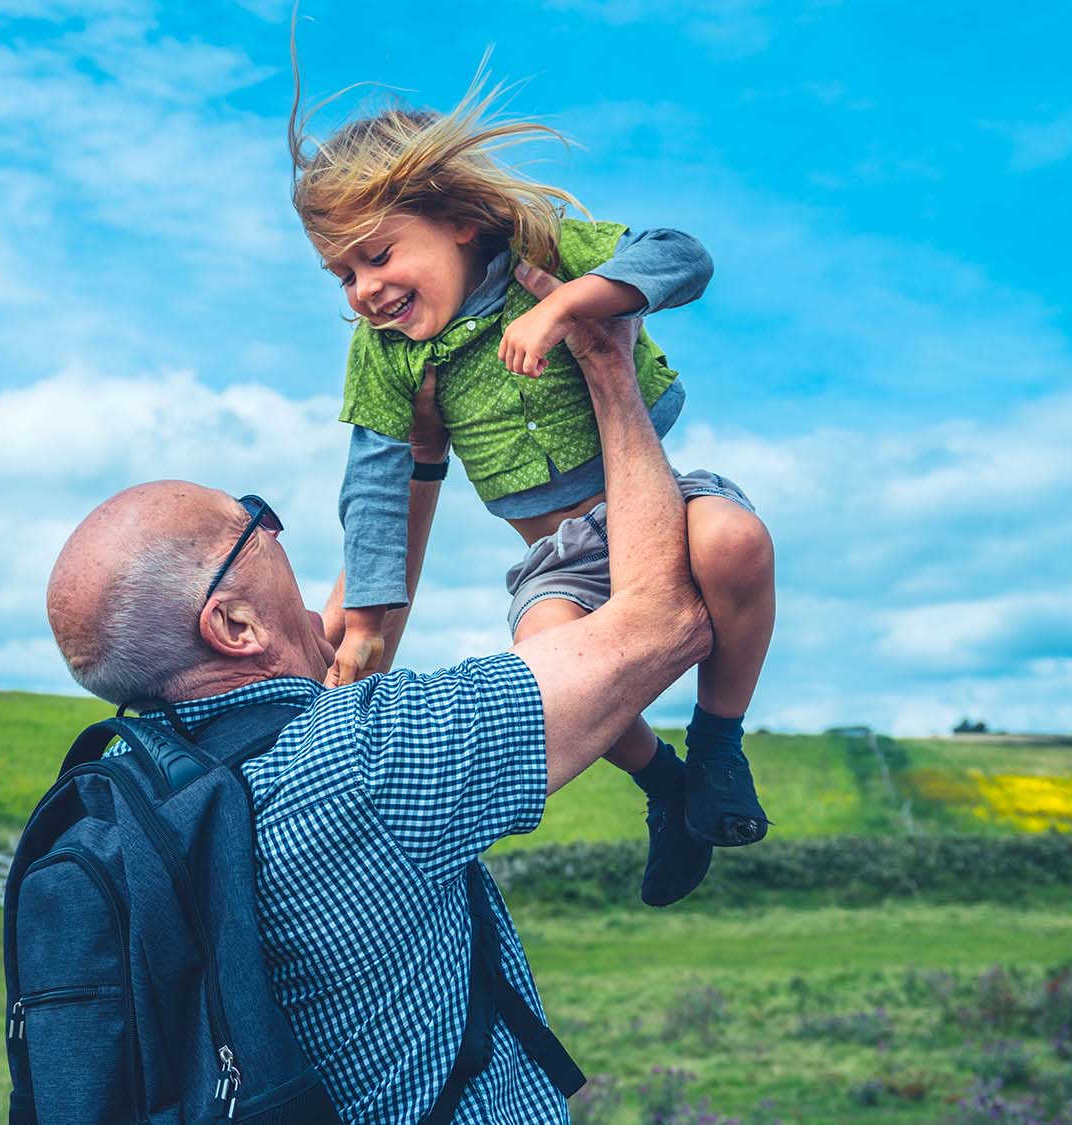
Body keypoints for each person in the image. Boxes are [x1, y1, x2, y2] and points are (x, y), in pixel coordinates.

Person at [44, 277, 711, 1122]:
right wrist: (611, 361)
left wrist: (421, 455)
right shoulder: (367, 762)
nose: (278, 533)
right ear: (235, 624)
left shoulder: (164, 792)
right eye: (253, 523)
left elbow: (360, 634)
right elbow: (663, 623)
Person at [291, 72, 776, 906]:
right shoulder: (388, 354)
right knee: (545, 670)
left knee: (735, 539)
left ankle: (719, 743)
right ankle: (667, 784)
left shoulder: (543, 257)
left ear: (460, 222)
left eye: (376, 255)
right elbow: (375, 485)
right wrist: (365, 626)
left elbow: (680, 254)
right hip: (557, 557)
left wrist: (569, 308)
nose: (363, 289)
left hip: (658, 500)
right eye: (342, 275)